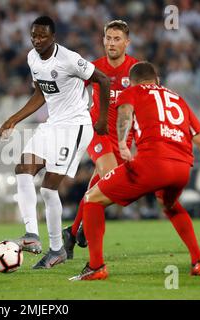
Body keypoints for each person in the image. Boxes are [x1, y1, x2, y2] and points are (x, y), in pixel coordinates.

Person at [70, 62, 200, 281]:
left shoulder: (131, 92)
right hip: (181, 170)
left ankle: (96, 267)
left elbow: (124, 112)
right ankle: (198, 261)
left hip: (151, 164)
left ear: (131, 82)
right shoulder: (178, 99)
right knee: (168, 204)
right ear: (157, 80)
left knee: (92, 198)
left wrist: (122, 143)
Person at [0, 16, 110, 269]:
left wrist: (101, 120)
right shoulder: (32, 58)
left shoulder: (69, 59)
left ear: (53, 37)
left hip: (75, 127)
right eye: (34, 36)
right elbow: (41, 93)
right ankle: (31, 235)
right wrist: (14, 119)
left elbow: (103, 80)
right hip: (52, 124)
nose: (37, 40)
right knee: (23, 168)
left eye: (42, 36)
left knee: (49, 188)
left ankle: (57, 249)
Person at [62, 20, 139, 259]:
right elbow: (71, 93)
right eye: (108, 38)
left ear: (127, 42)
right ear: (103, 40)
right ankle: (88, 238)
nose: (112, 43)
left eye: (117, 39)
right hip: (98, 130)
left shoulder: (137, 70)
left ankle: (73, 232)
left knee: (101, 187)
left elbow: (147, 101)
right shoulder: (94, 68)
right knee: (109, 177)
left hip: (123, 138)